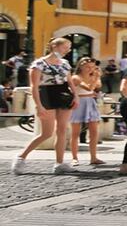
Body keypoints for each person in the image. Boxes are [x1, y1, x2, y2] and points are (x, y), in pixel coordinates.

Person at [12, 38, 78, 175]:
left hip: (63, 94)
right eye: (66, 47)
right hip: (46, 95)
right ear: (55, 46)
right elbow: (34, 87)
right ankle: (21, 157)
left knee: (62, 130)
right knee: (47, 133)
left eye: (69, 47)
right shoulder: (38, 64)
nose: (68, 50)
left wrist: (76, 96)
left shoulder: (65, 63)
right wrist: (39, 106)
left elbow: (70, 81)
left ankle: (59, 163)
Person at [70, 57, 105, 166]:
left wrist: (96, 78)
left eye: (92, 67)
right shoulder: (76, 77)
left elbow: (97, 87)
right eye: (87, 67)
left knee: (94, 132)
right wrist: (95, 79)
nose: (90, 69)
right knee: (75, 133)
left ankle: (93, 157)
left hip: (90, 102)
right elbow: (89, 88)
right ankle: (74, 158)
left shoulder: (92, 77)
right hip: (79, 102)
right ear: (80, 66)